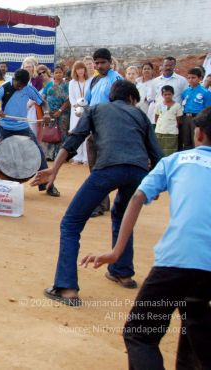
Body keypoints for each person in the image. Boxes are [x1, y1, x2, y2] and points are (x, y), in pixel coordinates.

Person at [81, 106, 211, 369]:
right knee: (197, 328)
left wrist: (117, 252)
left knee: (140, 334)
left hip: (176, 262)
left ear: (198, 135)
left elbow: (138, 197)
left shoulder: (175, 161)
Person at [34, 80, 162, 307]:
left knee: (71, 223)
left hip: (107, 168)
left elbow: (74, 139)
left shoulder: (96, 109)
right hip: (138, 172)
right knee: (123, 217)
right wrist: (155, 184)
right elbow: (156, 153)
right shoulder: (139, 115)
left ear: (111, 96)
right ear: (132, 99)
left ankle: (67, 288)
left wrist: (54, 169)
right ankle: (122, 273)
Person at [0, 69, 59, 197]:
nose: (19, 87)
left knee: (39, 154)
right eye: (17, 84)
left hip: (23, 128)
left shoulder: (28, 89)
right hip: (4, 127)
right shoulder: (4, 88)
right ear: (14, 79)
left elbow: (44, 103)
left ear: (26, 84)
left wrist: (47, 113)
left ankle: (48, 186)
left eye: (22, 86)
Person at [85, 48, 123, 218]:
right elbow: (87, 101)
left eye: (103, 62)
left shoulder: (117, 80)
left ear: (110, 62)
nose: (99, 66)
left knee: (101, 167)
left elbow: (121, 106)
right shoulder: (94, 81)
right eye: (97, 63)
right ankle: (103, 202)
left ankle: (99, 204)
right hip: (93, 127)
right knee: (94, 166)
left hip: (108, 129)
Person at [40, 66, 70, 161]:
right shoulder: (49, 84)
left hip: (63, 113)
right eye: (56, 72)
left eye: (60, 72)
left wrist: (60, 111)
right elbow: (43, 98)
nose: (58, 74)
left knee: (62, 133)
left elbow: (68, 100)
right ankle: (49, 155)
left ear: (63, 73)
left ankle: (61, 157)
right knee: (49, 132)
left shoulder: (67, 85)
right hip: (49, 113)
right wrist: (46, 112)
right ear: (53, 74)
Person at [180, 67, 211, 150]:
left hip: (197, 118)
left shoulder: (205, 92)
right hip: (186, 117)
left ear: (200, 78)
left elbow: (208, 109)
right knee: (186, 140)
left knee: (196, 140)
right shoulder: (186, 92)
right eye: (189, 78)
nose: (190, 80)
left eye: (193, 77)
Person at [68, 61, 92, 164]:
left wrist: (87, 106)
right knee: (77, 133)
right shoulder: (72, 82)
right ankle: (77, 157)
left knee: (86, 133)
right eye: (78, 69)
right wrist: (76, 105)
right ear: (75, 71)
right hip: (76, 111)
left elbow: (91, 95)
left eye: (82, 68)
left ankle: (87, 158)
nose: (80, 71)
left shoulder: (90, 81)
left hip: (87, 110)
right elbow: (71, 97)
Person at [154, 85, 182, 156]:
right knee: (159, 149)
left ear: (173, 94)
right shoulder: (159, 105)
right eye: (165, 94)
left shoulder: (177, 106)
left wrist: (174, 126)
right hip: (160, 131)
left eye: (169, 94)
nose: (167, 96)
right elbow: (156, 117)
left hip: (172, 131)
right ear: (162, 95)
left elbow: (178, 119)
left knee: (171, 150)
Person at [136, 62, 157, 128]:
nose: (146, 70)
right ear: (142, 71)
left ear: (152, 70)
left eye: (148, 69)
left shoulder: (155, 81)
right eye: (144, 69)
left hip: (149, 107)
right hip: (137, 106)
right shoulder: (137, 80)